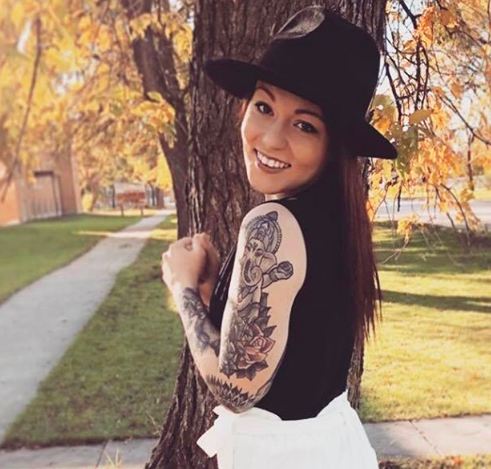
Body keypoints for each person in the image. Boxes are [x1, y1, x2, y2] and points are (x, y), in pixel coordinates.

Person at [161, 6, 398, 469]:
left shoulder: (271, 223)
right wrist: (217, 297)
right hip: (331, 443)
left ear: (334, 145)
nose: (270, 139)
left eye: (304, 125)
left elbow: (236, 388)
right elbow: (300, 346)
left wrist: (183, 288)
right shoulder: (335, 219)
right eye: (264, 107)